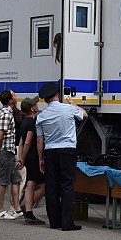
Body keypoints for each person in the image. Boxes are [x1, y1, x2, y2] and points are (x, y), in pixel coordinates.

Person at [36, 82, 87, 231]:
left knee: (51, 187)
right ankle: (67, 222)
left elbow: (40, 140)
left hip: (50, 151)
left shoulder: (41, 116)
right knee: (67, 186)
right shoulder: (68, 109)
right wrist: (74, 104)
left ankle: (54, 221)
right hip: (67, 150)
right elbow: (85, 115)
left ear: (45, 99)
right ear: (58, 95)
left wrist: (41, 158)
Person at [0, 89, 22, 220]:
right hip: (5, 150)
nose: (16, 96)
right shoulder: (6, 114)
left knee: (15, 179)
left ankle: (17, 209)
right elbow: (0, 135)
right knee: (3, 180)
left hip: (9, 150)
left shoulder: (3, 112)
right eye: (14, 95)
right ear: (10, 100)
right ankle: (0, 210)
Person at [17, 97, 45, 224]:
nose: (37, 105)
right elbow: (28, 141)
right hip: (33, 156)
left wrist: (21, 158)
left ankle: (28, 212)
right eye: (36, 104)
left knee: (30, 183)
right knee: (44, 185)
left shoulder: (23, 122)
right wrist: (39, 157)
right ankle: (28, 207)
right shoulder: (33, 122)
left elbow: (21, 142)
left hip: (27, 157)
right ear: (32, 108)